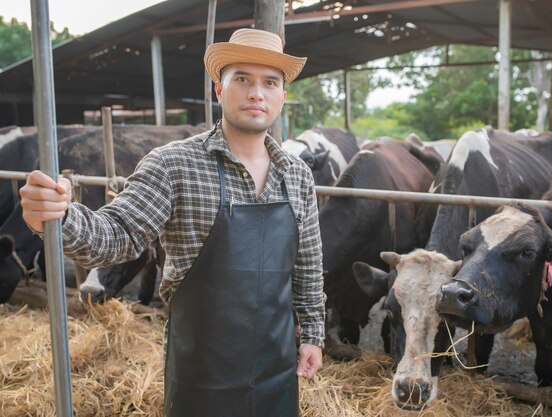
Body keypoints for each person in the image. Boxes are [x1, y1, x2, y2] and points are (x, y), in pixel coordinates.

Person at [20, 28, 325, 417]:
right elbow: (118, 235)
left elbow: (309, 265)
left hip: (275, 366)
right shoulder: (173, 164)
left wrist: (314, 334)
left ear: (282, 96)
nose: (256, 93)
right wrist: (58, 216)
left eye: (270, 82)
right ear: (219, 89)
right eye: (242, 79)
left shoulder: (297, 175)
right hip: (201, 369)